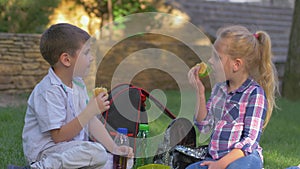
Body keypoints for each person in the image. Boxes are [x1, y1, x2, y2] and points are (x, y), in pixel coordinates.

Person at [9, 23, 132, 169]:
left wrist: (115, 148)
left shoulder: (78, 84)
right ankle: (38, 168)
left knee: (123, 162)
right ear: (66, 59)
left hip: (72, 150)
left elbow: (91, 122)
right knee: (97, 152)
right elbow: (59, 136)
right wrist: (90, 111)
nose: (91, 58)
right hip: (47, 153)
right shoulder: (49, 90)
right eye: (86, 53)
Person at [187, 25, 278, 169]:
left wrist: (221, 164)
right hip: (216, 157)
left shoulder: (255, 94)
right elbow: (205, 126)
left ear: (236, 64)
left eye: (217, 57)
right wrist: (199, 92)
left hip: (243, 158)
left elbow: (249, 141)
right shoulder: (219, 90)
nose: (210, 61)